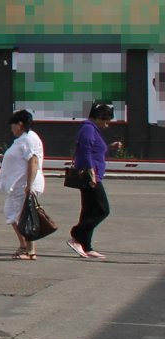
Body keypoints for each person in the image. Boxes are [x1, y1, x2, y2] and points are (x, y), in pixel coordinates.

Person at [66, 101, 113, 260]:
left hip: (93, 175)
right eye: (105, 121)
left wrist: (110, 146)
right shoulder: (88, 128)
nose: (106, 125)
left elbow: (95, 149)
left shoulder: (92, 130)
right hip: (90, 176)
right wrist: (91, 172)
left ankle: (86, 246)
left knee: (89, 211)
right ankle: (77, 235)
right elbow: (85, 151)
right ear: (98, 117)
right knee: (102, 209)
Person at [0, 109, 46, 260]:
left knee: (23, 216)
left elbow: (33, 161)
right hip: (17, 185)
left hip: (25, 184)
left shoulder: (29, 139)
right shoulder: (22, 139)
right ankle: (24, 245)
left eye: (12, 125)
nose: (11, 129)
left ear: (19, 124)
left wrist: (29, 185)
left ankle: (31, 251)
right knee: (11, 214)